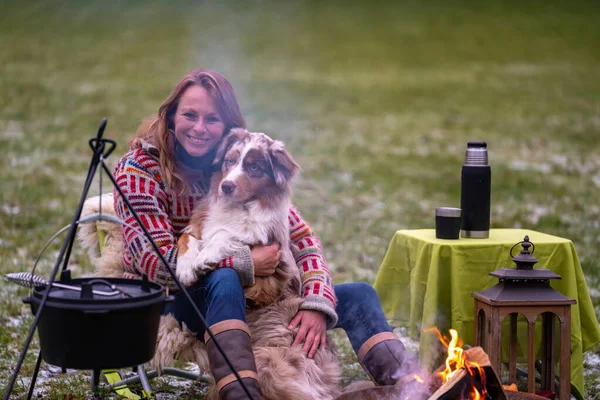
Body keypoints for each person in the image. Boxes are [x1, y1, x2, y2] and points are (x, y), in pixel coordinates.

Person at [113, 68, 416, 400]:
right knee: (226, 279)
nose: (200, 128)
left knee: (358, 294)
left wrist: (316, 301)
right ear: (171, 115)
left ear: (226, 127)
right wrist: (247, 262)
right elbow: (158, 264)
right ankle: (242, 395)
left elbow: (304, 239)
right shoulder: (138, 171)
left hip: (254, 301)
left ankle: (411, 388)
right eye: (190, 115)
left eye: (211, 119)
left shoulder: (226, 163)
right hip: (174, 300)